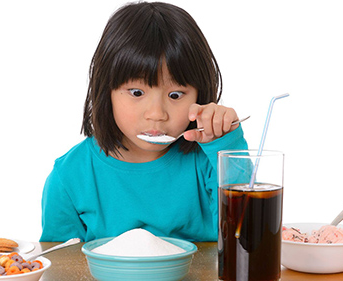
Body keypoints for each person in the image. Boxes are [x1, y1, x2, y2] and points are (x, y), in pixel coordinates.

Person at [40, 1, 248, 242]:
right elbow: (61, 267)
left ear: (199, 95)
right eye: (137, 93)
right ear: (106, 91)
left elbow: (244, 239)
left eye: (175, 95)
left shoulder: (210, 162)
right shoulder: (69, 177)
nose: (157, 113)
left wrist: (226, 146)